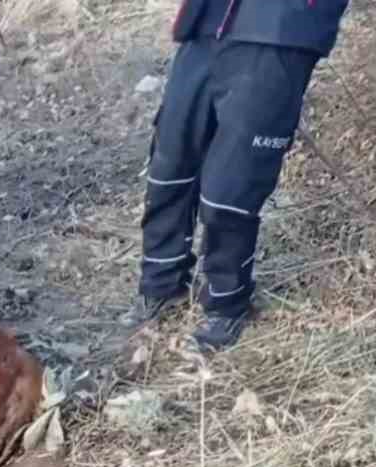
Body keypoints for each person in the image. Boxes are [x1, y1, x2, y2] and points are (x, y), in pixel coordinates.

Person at [122, 0, 352, 352]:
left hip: (279, 30)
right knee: (170, 163)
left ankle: (226, 303)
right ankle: (161, 284)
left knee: (231, 187)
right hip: (206, 23)